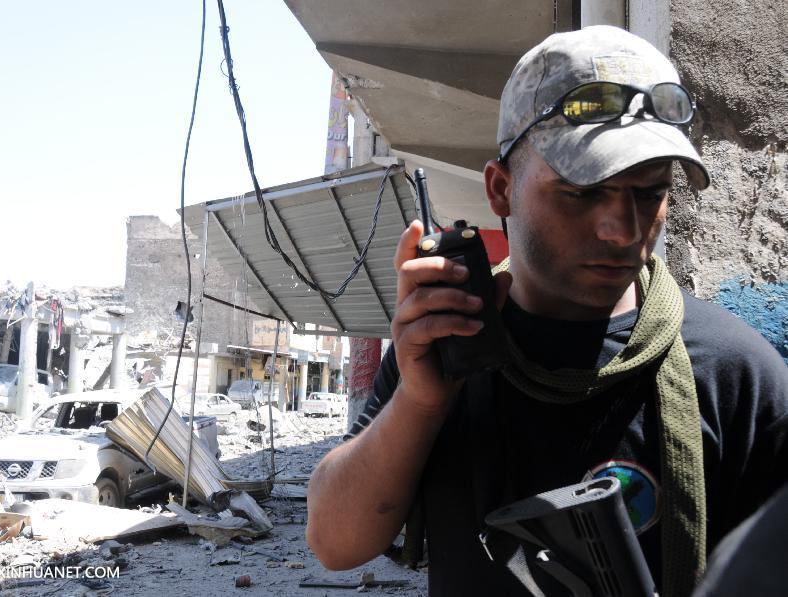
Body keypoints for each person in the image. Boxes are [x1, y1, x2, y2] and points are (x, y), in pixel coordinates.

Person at [305, 25, 788, 597]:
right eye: (582, 192)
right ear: (500, 189)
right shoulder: (449, 347)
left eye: (650, 192)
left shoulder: (735, 372)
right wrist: (420, 401)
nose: (622, 230)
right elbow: (336, 543)